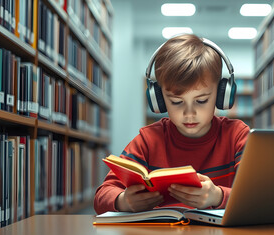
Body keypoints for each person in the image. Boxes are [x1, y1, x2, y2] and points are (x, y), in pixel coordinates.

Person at [94, 34, 250, 214]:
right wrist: (123, 201)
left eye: (201, 101)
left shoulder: (237, 136)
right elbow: (101, 196)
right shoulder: (148, 140)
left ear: (222, 95)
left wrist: (218, 196)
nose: (189, 113)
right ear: (158, 99)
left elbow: (259, 197)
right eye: (176, 102)